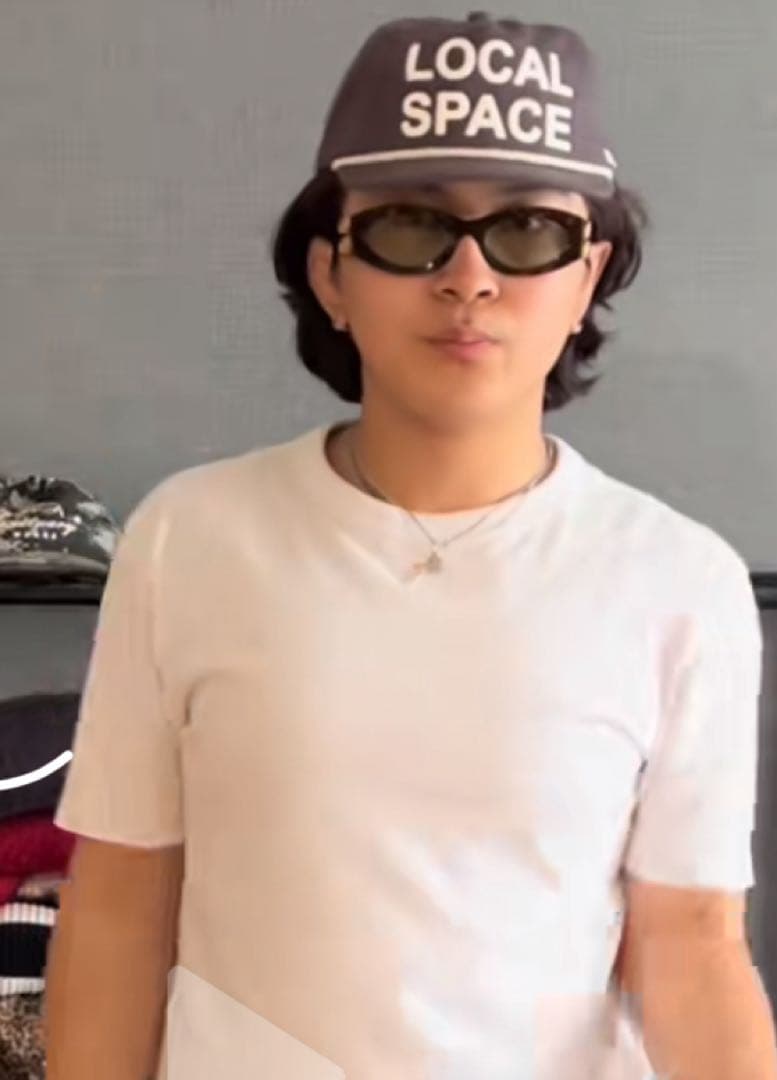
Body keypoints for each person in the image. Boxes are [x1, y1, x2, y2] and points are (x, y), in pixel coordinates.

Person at [44, 12, 773, 1080]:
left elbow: (692, 946)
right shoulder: (190, 537)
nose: (468, 278)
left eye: (529, 231)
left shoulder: (677, 581)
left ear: (587, 277)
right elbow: (118, 904)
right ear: (330, 274)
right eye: (408, 226)